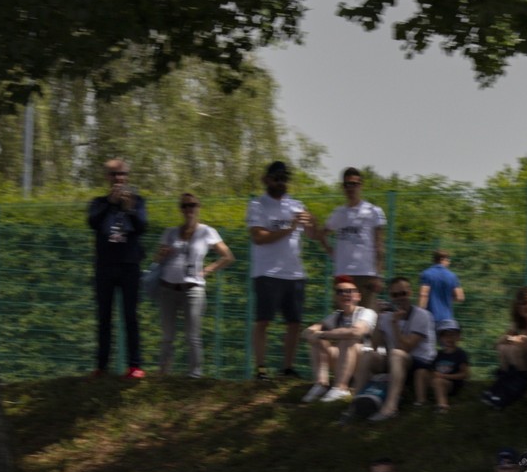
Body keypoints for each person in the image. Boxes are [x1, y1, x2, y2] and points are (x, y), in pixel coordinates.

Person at [246, 160, 315, 382]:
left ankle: (287, 368)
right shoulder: (258, 205)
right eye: (277, 178)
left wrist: (311, 222)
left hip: (294, 273)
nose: (281, 182)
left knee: (294, 323)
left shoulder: (296, 205)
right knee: (263, 321)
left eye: (284, 178)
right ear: (266, 180)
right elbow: (259, 237)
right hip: (268, 272)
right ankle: (261, 369)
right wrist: (290, 228)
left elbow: (313, 234)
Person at [153, 193, 234, 377]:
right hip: (168, 288)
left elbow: (228, 256)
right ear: (180, 209)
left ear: (198, 207)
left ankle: (195, 374)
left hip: (192, 290)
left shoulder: (207, 232)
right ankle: (163, 373)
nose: (189, 209)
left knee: (192, 335)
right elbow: (156, 259)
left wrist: (208, 270)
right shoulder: (170, 232)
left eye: (192, 205)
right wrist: (162, 254)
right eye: (185, 206)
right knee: (167, 336)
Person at [87, 157, 148, 379]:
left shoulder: (138, 202)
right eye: (114, 174)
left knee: (130, 315)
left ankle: (134, 366)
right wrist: (111, 204)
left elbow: (143, 227)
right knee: (104, 317)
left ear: (127, 176)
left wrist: (130, 209)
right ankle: (102, 366)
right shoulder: (98, 203)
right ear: (107, 177)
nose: (118, 178)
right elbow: (92, 222)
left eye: (122, 174)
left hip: (129, 266)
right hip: (105, 266)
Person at [351, 276, 436, 423]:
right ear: (391, 296)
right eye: (395, 295)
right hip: (395, 362)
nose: (400, 298)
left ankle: (390, 407)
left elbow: (406, 347)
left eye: (403, 293)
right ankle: (355, 402)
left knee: (396, 354)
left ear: (410, 293)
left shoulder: (422, 315)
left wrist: (395, 324)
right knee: (368, 355)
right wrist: (378, 318)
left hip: (418, 363)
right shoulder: (387, 317)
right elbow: (374, 345)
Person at [318, 166, 388, 310]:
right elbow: (321, 234)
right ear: (342, 187)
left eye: (354, 184)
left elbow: (380, 246)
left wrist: (378, 275)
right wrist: (331, 252)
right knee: (341, 316)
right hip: (342, 274)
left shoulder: (373, 211)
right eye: (347, 184)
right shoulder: (338, 213)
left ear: (361, 185)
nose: (351, 188)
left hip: (365, 274)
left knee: (366, 317)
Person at [301, 276, 377, 404]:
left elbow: (356, 332)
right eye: (340, 292)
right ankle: (321, 383)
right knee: (318, 341)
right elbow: (308, 331)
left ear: (358, 296)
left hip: (365, 362)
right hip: (344, 360)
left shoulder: (367, 313)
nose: (345, 294)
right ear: (335, 297)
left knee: (347, 339)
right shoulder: (336, 316)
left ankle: (341, 388)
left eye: (349, 291)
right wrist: (313, 335)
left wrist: (321, 334)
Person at [426, 319, 470, 412]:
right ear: (440, 338)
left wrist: (444, 376)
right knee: (422, 373)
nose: (449, 338)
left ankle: (442, 406)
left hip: (453, 384)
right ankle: (421, 401)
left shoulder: (460, 354)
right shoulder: (439, 354)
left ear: (458, 337)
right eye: (445, 335)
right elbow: (432, 369)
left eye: (452, 335)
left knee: (438, 381)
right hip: (438, 380)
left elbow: (465, 374)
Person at [417, 249, 464, 325]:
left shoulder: (426, 274)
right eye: (448, 260)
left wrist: (419, 314)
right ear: (442, 259)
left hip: (430, 319)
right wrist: (447, 296)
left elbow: (423, 295)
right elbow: (460, 297)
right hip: (447, 319)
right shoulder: (452, 276)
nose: (449, 263)